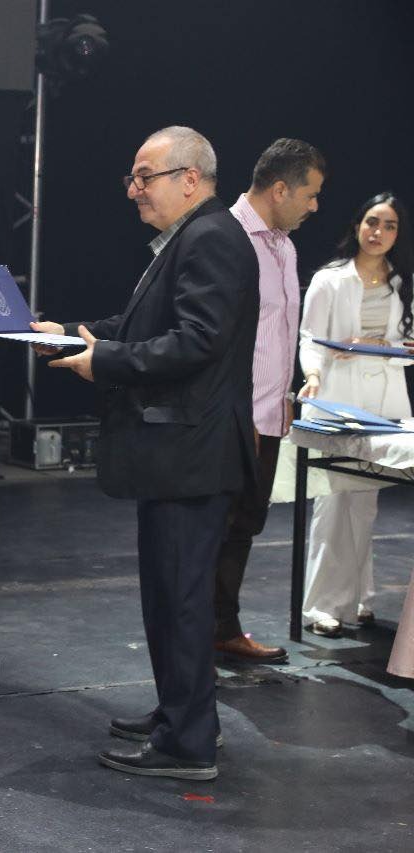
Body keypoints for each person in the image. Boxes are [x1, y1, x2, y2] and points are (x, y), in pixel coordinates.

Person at [32, 126, 258, 781]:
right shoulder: (193, 237)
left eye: (143, 177)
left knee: (180, 598)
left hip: (190, 455)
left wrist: (101, 360)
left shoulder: (211, 238)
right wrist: (70, 334)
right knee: (170, 596)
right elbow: (145, 327)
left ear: (189, 179)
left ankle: (187, 742)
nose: (133, 190)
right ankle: (181, 714)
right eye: (132, 177)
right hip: (178, 454)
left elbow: (195, 342)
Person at [214, 139, 326, 664]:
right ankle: (194, 637)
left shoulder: (284, 246)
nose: (315, 206)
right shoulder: (225, 237)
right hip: (231, 419)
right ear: (280, 189)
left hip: (269, 416)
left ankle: (223, 628)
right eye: (310, 193)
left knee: (244, 527)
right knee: (213, 530)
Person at [297, 192, 414, 637]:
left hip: (385, 399)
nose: (378, 232)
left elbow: (407, 343)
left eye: (389, 226)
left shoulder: (403, 282)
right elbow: (310, 336)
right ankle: (321, 606)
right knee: (333, 501)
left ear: (398, 234)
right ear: (357, 225)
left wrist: (387, 348)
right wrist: (312, 374)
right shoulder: (330, 279)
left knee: (364, 504)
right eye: (372, 222)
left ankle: (360, 597)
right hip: (339, 394)